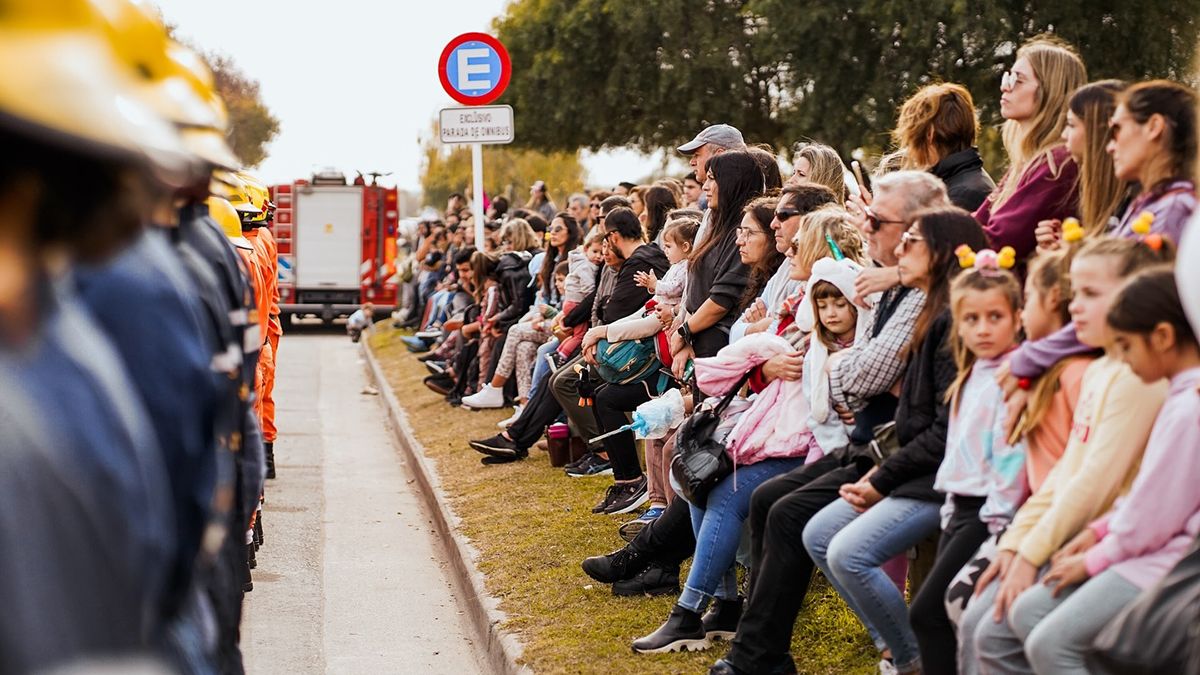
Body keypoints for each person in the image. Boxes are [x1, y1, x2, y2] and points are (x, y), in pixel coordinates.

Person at [712, 171, 950, 675]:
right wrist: (849, 373)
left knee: (785, 509)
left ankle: (758, 654)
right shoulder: (887, 285)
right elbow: (856, 370)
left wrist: (842, 372)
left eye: (877, 220)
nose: (866, 229)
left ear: (919, 229)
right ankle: (758, 651)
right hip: (868, 441)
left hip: (892, 451)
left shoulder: (910, 290)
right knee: (767, 500)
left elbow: (862, 374)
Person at [966, 238, 1173, 673]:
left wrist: (1030, 555)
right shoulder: (1101, 370)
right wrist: (1015, 543)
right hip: (1071, 531)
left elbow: (1094, 483)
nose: (1074, 307)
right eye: (1074, 293)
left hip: (1107, 538)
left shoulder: (1137, 379)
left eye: (1091, 295)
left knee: (998, 632)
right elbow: (1065, 474)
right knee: (979, 624)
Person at [800, 207, 989, 675]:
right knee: (818, 533)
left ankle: (909, 658)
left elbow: (945, 433)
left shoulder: (954, 323)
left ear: (943, 253)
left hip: (942, 478)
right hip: (913, 466)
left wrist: (882, 480)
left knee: (847, 550)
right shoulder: (928, 313)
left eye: (913, 242)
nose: (899, 250)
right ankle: (901, 650)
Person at [1002, 268, 1200, 675]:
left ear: (1162, 337)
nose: (1123, 359)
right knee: (1029, 615)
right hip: (1144, 547)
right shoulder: (1180, 397)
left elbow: (1155, 515)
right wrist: (1099, 530)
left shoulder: (1187, 407)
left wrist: (1096, 556)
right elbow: (1151, 496)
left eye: (1125, 346)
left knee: (1052, 645)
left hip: (1167, 561)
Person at [906, 256, 1027, 675]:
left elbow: (1013, 457)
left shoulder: (1014, 377)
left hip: (989, 513)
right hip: (958, 507)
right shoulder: (970, 373)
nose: (983, 328)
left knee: (931, 612)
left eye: (995, 317)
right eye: (971, 319)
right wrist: (949, 505)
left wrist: (996, 519)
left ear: (1018, 317)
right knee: (947, 615)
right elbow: (959, 446)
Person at [974, 36, 1087, 261]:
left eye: (1018, 79)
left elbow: (997, 240)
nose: (1005, 87)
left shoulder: (1057, 164)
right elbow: (978, 221)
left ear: (1050, 91)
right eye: (1008, 76)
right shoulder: (1029, 162)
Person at [672, 150, 762, 364]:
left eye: (712, 179)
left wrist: (685, 331)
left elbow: (722, 299)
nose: (704, 186)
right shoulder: (720, 226)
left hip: (717, 340)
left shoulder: (741, 234)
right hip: (701, 336)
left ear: (732, 182)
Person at [733, 183, 839, 341]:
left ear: (812, 218)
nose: (773, 224)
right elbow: (735, 332)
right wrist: (758, 327)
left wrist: (764, 328)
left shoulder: (826, 275)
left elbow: (781, 339)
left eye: (783, 214)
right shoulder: (787, 264)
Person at [1036, 80, 1129, 249]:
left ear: (1098, 132)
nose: (1064, 135)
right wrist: (1066, 247)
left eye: (1071, 125)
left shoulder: (1131, 203)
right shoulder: (1102, 198)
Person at [1106, 79, 1198, 241]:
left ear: (1154, 127)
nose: (1110, 147)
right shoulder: (1154, 203)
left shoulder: (1172, 210)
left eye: (1116, 129)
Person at [891, 82, 996, 211]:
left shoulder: (960, 197)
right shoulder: (964, 182)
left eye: (910, 139)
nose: (910, 150)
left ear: (929, 134)